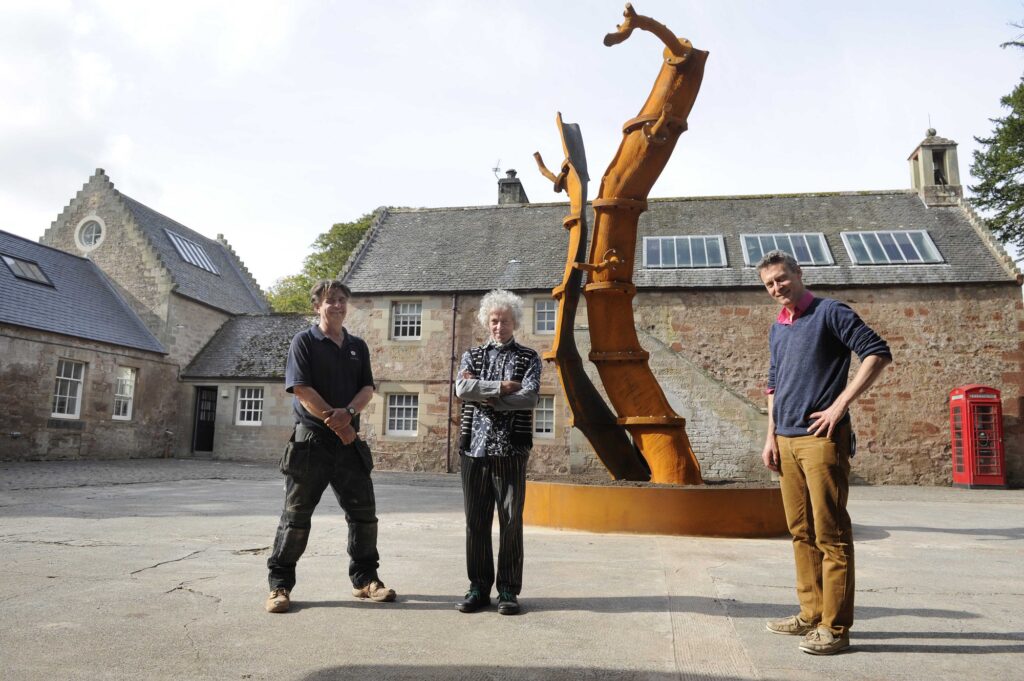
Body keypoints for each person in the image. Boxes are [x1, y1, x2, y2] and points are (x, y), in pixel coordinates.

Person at [758, 250, 892, 655]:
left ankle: (834, 627)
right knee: (801, 533)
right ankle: (810, 614)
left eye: (782, 278)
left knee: (831, 535)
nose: (777, 288)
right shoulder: (778, 327)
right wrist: (770, 436)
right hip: (786, 440)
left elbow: (877, 352)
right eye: (769, 284)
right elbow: (773, 384)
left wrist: (840, 405)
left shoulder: (831, 312)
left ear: (799, 274)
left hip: (821, 441)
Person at [265, 279, 396, 613]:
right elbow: (301, 390)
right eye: (329, 301)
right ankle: (279, 586)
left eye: (341, 300)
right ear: (316, 306)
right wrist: (337, 422)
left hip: (349, 443)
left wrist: (350, 413)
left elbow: (367, 388)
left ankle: (366, 580)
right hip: (311, 443)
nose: (336, 306)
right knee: (295, 518)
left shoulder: (358, 346)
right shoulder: (304, 342)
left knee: (364, 516)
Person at [454, 290, 542, 615]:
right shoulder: (471, 356)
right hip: (474, 451)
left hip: (511, 452)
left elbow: (530, 398)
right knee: (475, 522)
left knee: (510, 522)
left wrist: (484, 394)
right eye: (494, 320)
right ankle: (478, 587)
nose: (498, 326)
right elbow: (461, 390)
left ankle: (507, 590)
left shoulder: (529, 358)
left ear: (514, 322)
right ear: (486, 322)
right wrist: (502, 388)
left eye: (504, 320)